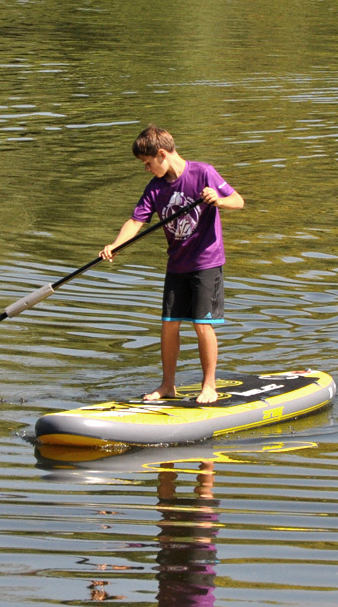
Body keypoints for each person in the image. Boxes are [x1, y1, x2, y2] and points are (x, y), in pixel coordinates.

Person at [100, 125, 244, 404]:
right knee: (169, 324)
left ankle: (209, 386)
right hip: (177, 264)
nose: (146, 169)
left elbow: (238, 201)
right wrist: (116, 245)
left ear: (162, 154)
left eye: (147, 163)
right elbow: (135, 222)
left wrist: (219, 200)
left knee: (202, 324)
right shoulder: (155, 188)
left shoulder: (203, 172)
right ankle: (167, 385)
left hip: (206, 262)